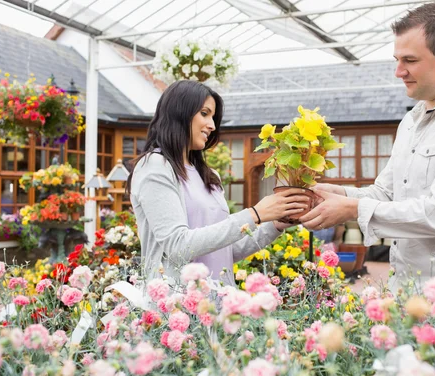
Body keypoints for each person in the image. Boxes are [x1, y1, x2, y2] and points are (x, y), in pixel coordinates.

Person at [300, 3, 435, 310]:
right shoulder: (412, 121)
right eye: (398, 60)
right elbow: (387, 192)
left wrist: (351, 209)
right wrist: (338, 193)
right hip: (409, 292)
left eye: (410, 60)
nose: (399, 71)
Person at [127, 80, 308, 287]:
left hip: (218, 305)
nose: (212, 125)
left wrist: (274, 224)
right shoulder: (155, 167)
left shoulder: (208, 176)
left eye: (213, 117)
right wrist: (254, 214)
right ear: (179, 113)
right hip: (177, 307)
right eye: (204, 113)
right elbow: (177, 246)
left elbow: (224, 250)